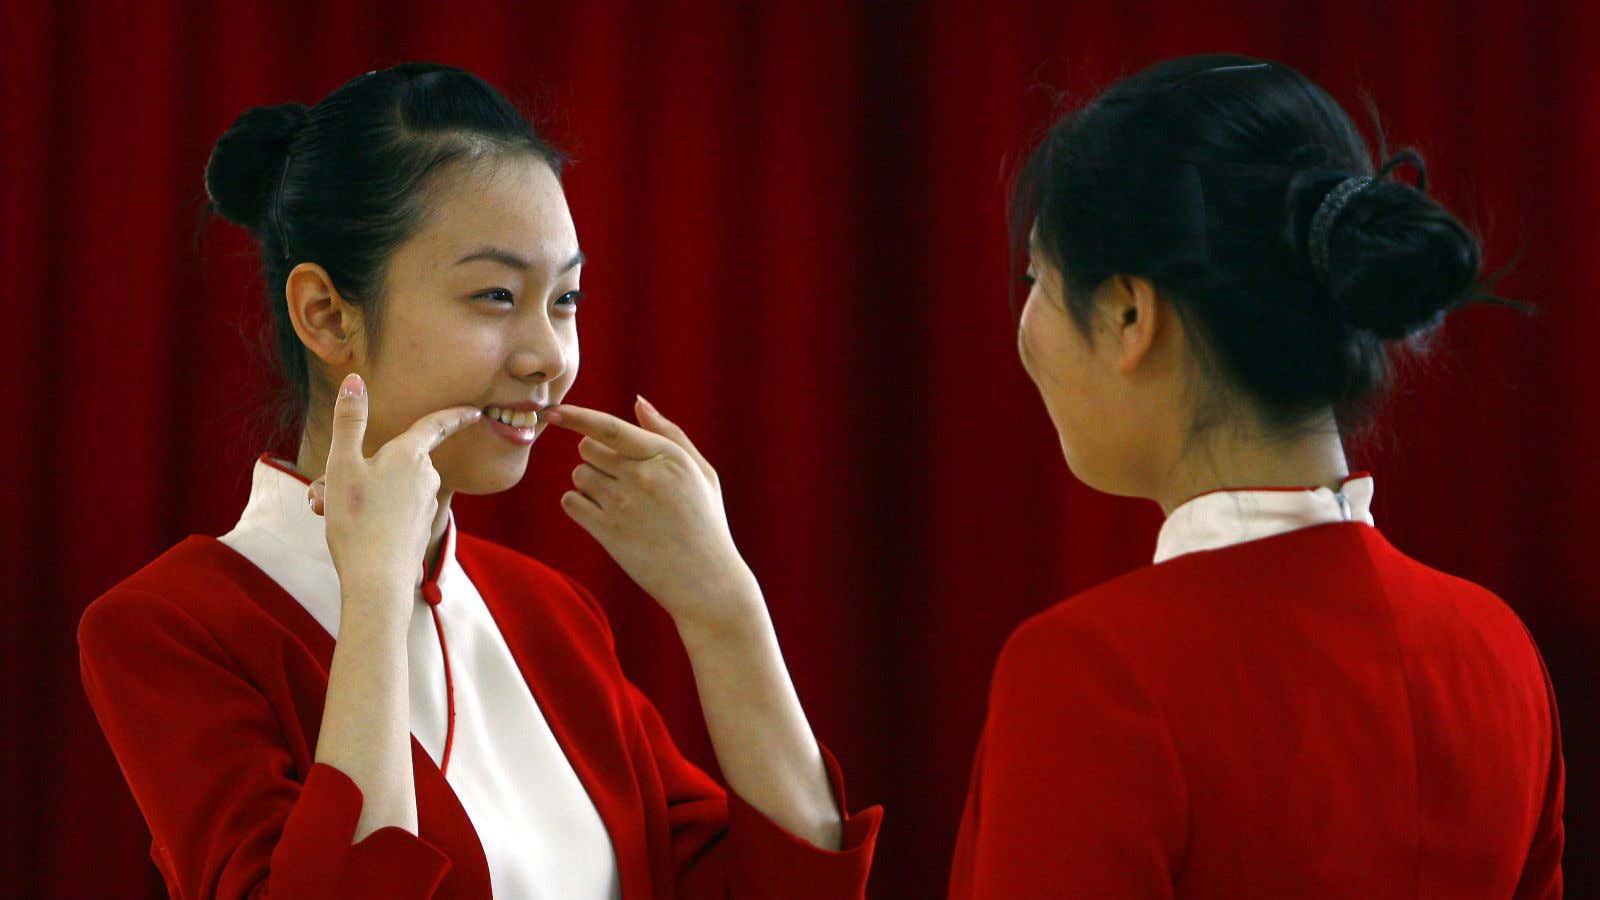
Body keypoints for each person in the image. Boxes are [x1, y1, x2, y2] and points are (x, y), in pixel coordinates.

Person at [77, 62, 880, 900]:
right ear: (325, 314)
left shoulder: (550, 616)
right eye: (497, 295)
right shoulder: (172, 627)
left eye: (565, 299)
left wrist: (726, 612)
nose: (549, 358)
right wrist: (377, 596)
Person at [948, 54, 1563, 898]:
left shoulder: (1091, 674)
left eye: (1038, 280)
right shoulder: (1498, 650)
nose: (1024, 330)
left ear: (1131, 312)